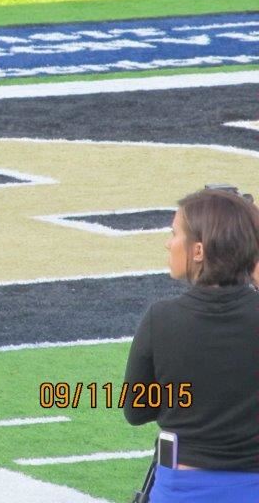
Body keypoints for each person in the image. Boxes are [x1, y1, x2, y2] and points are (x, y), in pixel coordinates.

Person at [123, 188, 259, 502]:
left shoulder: (161, 319)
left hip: (181, 491)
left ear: (198, 251)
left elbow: (136, 409)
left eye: (174, 233)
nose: (168, 243)